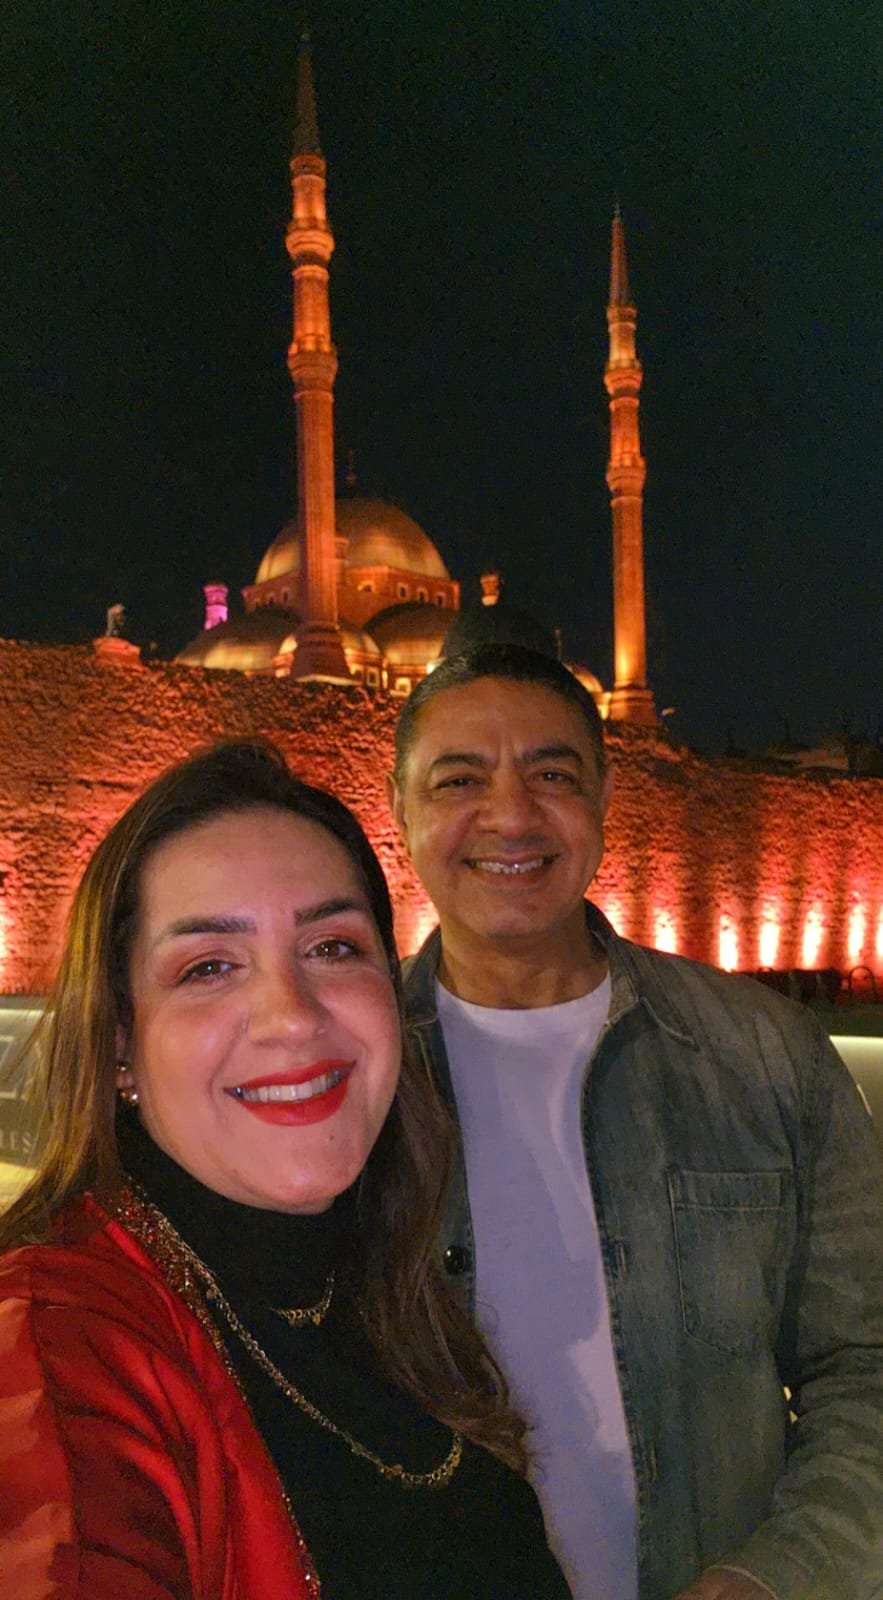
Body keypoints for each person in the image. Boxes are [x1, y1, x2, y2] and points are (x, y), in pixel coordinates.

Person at [0, 737, 572, 1600]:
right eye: (209, 967)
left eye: (332, 948)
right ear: (120, 1041)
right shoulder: (61, 1341)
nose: (292, 1016)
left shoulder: (384, 1286)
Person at [387, 642, 883, 1600]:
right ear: (400, 809)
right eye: (459, 779)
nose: (511, 815)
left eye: (552, 775)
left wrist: (777, 1576)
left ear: (604, 801)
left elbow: (863, 1366)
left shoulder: (764, 1056)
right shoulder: (344, 1083)